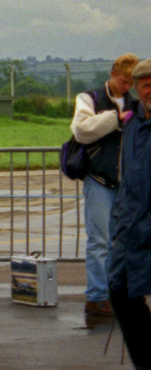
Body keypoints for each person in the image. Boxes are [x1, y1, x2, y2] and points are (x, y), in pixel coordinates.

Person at [74, 53, 139, 322]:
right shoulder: (88, 98)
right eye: (124, 82)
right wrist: (116, 118)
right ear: (113, 73)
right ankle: (97, 297)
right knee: (99, 241)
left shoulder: (139, 102)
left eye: (131, 84)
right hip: (99, 180)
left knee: (124, 242)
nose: (127, 88)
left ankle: (120, 295)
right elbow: (81, 130)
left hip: (129, 183)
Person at [109, 59, 151, 370]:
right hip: (131, 227)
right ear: (136, 87)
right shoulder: (133, 123)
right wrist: (120, 220)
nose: (150, 89)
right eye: (145, 83)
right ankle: (147, 369)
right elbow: (127, 177)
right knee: (119, 289)